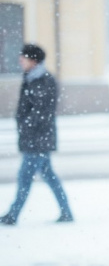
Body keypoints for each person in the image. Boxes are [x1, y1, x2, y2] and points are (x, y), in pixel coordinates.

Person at [1, 44, 74, 226]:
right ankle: (66, 212)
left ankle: (13, 214)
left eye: (23, 57)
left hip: (38, 139)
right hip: (36, 138)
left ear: (34, 60)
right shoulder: (31, 78)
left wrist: (25, 127)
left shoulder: (43, 80)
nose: (20, 60)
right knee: (49, 176)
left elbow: (41, 112)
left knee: (24, 177)